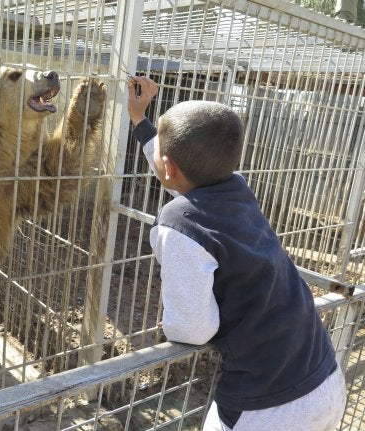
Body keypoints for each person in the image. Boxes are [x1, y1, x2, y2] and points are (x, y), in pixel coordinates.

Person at [127, 76, 347, 431]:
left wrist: (174, 323)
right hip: (325, 379)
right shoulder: (236, 187)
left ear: (168, 166)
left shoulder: (177, 223)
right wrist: (140, 121)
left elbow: (193, 329)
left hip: (269, 409)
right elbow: (177, 173)